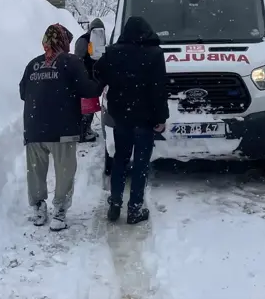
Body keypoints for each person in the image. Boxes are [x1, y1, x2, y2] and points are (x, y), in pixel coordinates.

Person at [19, 22, 104, 231]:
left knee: (35, 172)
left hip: (34, 128)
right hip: (62, 129)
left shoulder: (32, 64)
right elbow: (89, 90)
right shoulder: (71, 62)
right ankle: (59, 212)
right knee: (64, 171)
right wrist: (102, 77)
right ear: (64, 42)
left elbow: (23, 93)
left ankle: (38, 208)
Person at [93, 16, 169, 225]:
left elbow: (97, 71)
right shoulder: (155, 54)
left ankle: (115, 203)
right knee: (141, 164)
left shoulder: (114, 53)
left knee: (120, 160)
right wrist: (161, 117)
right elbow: (159, 89)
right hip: (145, 119)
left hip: (122, 117)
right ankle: (134, 208)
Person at [74, 17, 106, 142]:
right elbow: (78, 59)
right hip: (87, 78)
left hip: (92, 78)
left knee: (90, 107)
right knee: (86, 108)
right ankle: (83, 132)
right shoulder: (84, 40)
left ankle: (86, 130)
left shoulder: (89, 40)